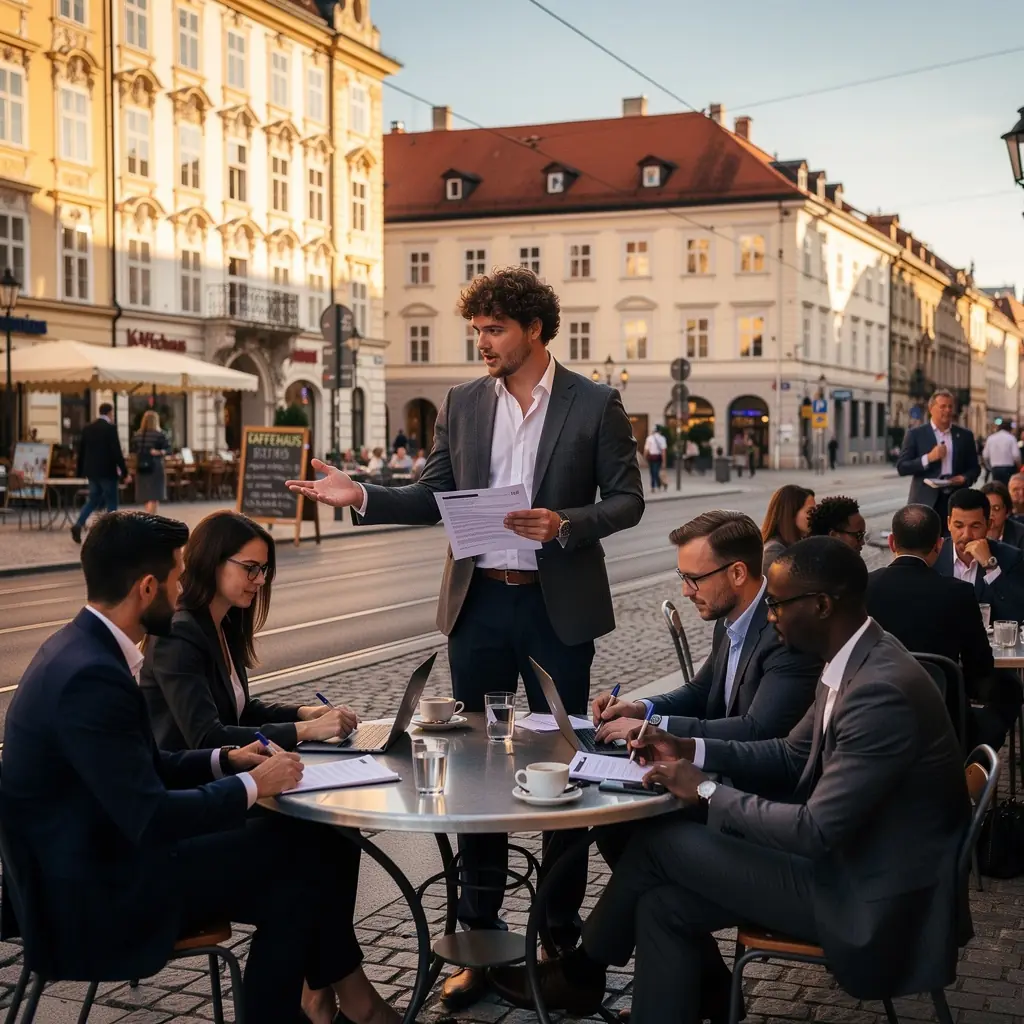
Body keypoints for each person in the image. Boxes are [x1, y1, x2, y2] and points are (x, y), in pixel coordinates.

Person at [286, 265, 644, 1011]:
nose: (482, 342)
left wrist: (567, 524)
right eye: (476, 329)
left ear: (534, 330)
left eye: (494, 329)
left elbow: (629, 500)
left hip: (556, 610)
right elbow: (431, 494)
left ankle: (557, 936)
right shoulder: (462, 403)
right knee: (475, 769)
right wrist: (362, 495)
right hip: (479, 604)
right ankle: (477, 938)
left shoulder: (595, 403)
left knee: (563, 767)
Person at [493, 538, 971, 1024]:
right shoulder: (856, 656)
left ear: (823, 605)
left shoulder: (878, 691)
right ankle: (602, 979)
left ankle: (580, 972)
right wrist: (685, 748)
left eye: (779, 604)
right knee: (662, 906)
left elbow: (815, 830)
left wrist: (704, 788)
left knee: (662, 843)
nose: (769, 616)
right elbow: (790, 754)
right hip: (848, 863)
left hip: (870, 898)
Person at [0, 512, 400, 1024]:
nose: (181, 587)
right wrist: (253, 784)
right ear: (147, 587)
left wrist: (226, 760)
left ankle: (329, 1007)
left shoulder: (78, 650)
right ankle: (337, 1007)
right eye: (174, 577)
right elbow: (150, 816)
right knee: (307, 858)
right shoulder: (92, 676)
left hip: (98, 857)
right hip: (96, 892)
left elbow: (145, 765)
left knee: (312, 853)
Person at [590, 510, 820, 751]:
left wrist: (652, 725)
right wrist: (639, 709)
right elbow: (702, 691)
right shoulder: (728, 615)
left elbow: (757, 730)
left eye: (694, 578)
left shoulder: (785, 633)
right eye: (683, 576)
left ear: (738, 574)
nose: (686, 591)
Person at [141, 511, 358, 751]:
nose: (261, 580)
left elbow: (239, 711)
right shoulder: (178, 634)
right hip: (187, 783)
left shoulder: (224, 622)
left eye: (263, 569)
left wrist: (304, 713)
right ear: (212, 562)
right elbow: (206, 737)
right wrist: (307, 730)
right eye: (251, 568)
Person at [866, 503, 1020, 751]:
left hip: (875, 713)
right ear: (939, 545)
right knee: (1009, 689)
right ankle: (976, 768)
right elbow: (978, 667)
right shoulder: (958, 593)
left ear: (892, 542)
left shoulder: (865, 587)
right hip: (944, 723)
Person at [935, 488, 1024, 623]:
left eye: (975, 526)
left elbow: (1017, 613)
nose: (966, 535)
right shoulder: (933, 555)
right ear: (948, 523)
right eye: (959, 526)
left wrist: (991, 567)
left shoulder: (1010, 557)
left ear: (988, 524)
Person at [897, 389, 980, 524]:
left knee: (952, 542)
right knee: (925, 541)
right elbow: (902, 467)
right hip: (925, 500)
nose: (947, 410)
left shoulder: (965, 436)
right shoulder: (916, 434)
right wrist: (928, 458)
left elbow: (975, 468)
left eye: (950, 406)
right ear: (931, 408)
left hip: (955, 499)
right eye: (942, 406)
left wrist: (964, 478)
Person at [70, 403, 129, 544]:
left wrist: (79, 471)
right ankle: (110, 533)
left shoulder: (88, 428)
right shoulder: (110, 429)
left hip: (92, 472)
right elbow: (116, 452)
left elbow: (81, 451)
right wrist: (124, 472)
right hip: (107, 471)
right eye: (113, 414)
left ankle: (78, 524)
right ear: (110, 412)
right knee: (112, 502)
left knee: (93, 500)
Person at [760, 484, 815, 573]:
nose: (815, 515)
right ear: (790, 514)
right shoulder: (774, 550)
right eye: (810, 511)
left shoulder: (797, 542)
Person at [132, 410, 169, 514]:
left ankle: (148, 514)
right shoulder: (160, 435)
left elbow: (133, 450)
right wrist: (159, 452)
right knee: (154, 494)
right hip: (155, 465)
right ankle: (151, 516)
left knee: (145, 493)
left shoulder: (137, 435)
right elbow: (168, 449)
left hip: (141, 465)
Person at [980, 481, 1024, 551]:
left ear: (1007, 512)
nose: (990, 513)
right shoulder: (972, 530)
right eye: (986, 508)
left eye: (996, 508)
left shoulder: (1021, 535)